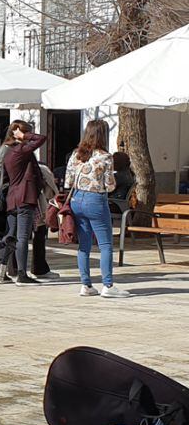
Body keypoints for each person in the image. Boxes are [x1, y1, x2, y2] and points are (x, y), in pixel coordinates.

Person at [66, 119, 129, 298]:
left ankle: (86, 284)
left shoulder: (76, 154)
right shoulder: (105, 156)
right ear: (103, 135)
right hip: (95, 201)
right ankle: (108, 285)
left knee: (84, 245)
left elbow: (68, 181)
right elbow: (109, 185)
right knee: (105, 245)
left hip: (77, 199)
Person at [0, 121, 46, 286]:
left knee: (9, 237)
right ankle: (22, 274)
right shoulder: (21, 149)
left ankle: (2, 274)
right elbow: (41, 139)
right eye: (27, 133)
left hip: (12, 198)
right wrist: (24, 136)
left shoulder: (8, 152)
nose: (29, 138)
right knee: (22, 236)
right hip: (25, 196)